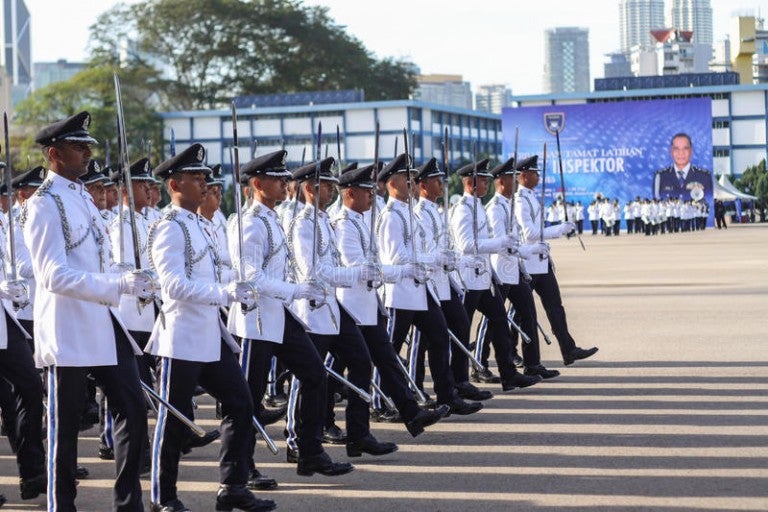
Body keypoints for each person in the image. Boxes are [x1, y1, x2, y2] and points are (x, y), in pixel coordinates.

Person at [22, 111, 151, 511]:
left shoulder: (83, 199)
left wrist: (128, 275)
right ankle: (62, 505)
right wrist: (115, 284)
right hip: (68, 330)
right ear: (54, 153)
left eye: (88, 147)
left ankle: (128, 502)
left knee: (131, 406)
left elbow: (101, 257)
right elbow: (52, 275)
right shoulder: (44, 204)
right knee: (65, 429)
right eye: (79, 148)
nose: (87, 154)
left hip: (103, 321)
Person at [145, 143, 275, 512]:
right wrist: (224, 291)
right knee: (174, 421)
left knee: (241, 404)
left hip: (211, 336)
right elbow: (173, 286)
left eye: (205, 177)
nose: (204, 183)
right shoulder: (169, 227)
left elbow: (219, 272)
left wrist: (241, 283)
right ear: (174, 184)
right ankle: (162, 496)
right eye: (196, 177)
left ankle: (232, 486)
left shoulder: (204, 226)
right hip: (182, 337)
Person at [226, 149, 353, 481]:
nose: (285, 183)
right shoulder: (249, 223)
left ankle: (309, 452)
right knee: (246, 399)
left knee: (315, 375)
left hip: (279, 316)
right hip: (255, 321)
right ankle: (244, 467)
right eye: (277, 179)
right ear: (257, 183)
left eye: (285, 177)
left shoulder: (273, 217)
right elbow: (251, 277)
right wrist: (296, 291)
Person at [376, 153, 483, 416]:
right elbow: (396, 257)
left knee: (439, 338)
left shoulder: (410, 213)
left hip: (422, 290)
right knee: (388, 352)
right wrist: (434, 258)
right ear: (392, 183)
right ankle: (380, 404)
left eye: (412, 179)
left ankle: (447, 395)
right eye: (406, 179)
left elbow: (421, 248)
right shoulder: (391, 216)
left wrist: (442, 259)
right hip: (399, 292)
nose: (412, 183)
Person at [449, 158, 543, 390]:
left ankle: (509, 375)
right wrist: (499, 242)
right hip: (469, 278)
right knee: (462, 329)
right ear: (470, 183)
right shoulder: (463, 209)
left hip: (484, 277)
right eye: (483, 181)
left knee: (500, 322)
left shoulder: (478, 206)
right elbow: (465, 245)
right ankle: (459, 381)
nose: (487, 186)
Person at [514, 155, 599, 366]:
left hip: (541, 262)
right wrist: (559, 229)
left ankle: (568, 350)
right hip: (528, 263)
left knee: (555, 307)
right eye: (534, 173)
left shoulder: (531, 197)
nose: (538, 176)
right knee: (519, 313)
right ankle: (510, 352)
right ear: (523, 176)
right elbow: (530, 233)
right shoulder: (520, 200)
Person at [0, 164, 47, 504]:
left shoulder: (3, 223)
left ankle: (32, 472)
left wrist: (9, 284)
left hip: (3, 319)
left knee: (30, 387)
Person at [653, 133, 713, 201]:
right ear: (671, 152)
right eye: (676, 149)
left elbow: (709, 201)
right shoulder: (661, 177)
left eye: (685, 148)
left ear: (691, 151)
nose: (681, 153)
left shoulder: (705, 177)